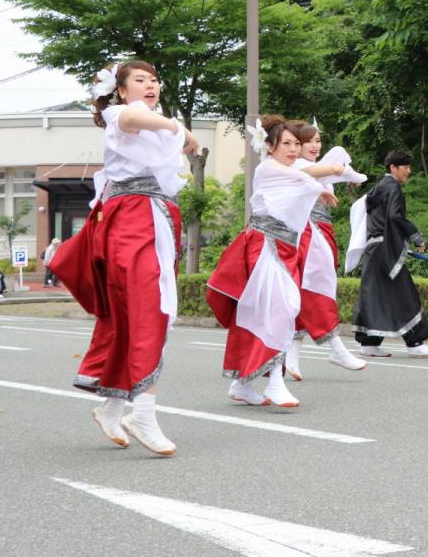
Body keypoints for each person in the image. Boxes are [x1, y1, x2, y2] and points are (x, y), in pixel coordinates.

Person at [50, 60, 197, 456]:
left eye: (154, 80)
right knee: (149, 309)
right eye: (140, 80)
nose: (151, 85)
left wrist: (178, 132)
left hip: (156, 218)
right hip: (132, 218)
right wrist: (178, 128)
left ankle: (113, 408)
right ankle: (143, 413)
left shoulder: (152, 121)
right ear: (120, 90)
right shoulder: (121, 114)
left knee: (144, 313)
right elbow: (133, 117)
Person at [207, 116, 345, 407]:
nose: (293, 149)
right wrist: (334, 170)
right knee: (283, 308)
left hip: (284, 249)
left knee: (262, 313)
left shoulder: (289, 171)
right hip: (265, 246)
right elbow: (305, 173)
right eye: (286, 144)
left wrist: (320, 187)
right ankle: (275, 382)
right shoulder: (269, 168)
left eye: (296, 144)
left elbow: (301, 178)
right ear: (270, 146)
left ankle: (241, 384)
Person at [284, 120, 368, 379]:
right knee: (315, 289)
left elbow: (333, 165)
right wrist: (345, 173)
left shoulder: (314, 168)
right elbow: (323, 170)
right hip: (306, 236)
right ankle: (335, 346)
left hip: (320, 234)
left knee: (309, 291)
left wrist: (349, 174)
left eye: (318, 141)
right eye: (307, 141)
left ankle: (292, 356)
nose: (314, 146)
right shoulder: (297, 166)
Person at [350, 150, 428, 358]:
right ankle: (415, 342)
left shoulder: (379, 187)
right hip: (384, 251)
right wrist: (416, 236)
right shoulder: (392, 188)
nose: (409, 171)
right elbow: (395, 216)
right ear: (393, 167)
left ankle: (368, 343)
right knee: (404, 293)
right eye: (405, 166)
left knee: (374, 296)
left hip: (373, 250)